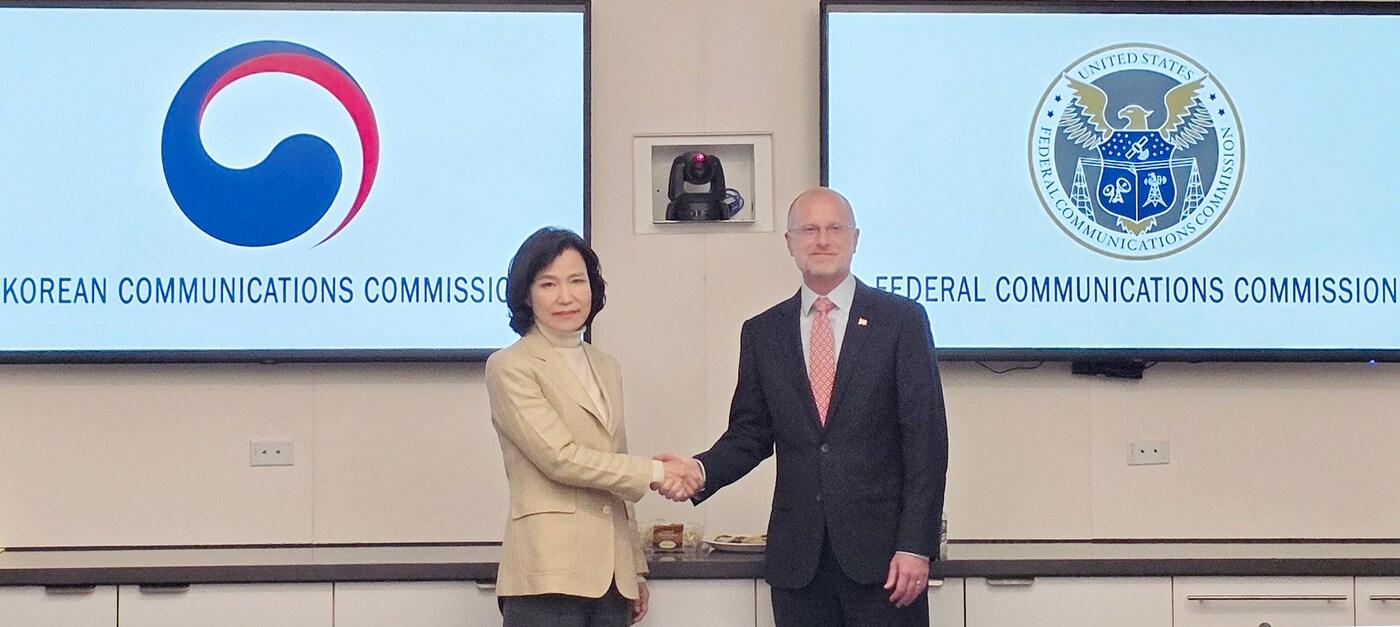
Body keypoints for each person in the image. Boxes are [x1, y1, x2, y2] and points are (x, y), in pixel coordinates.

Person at [659, 187, 949, 626]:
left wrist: (915, 545)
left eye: (835, 228)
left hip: (886, 562)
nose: (823, 240)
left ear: (855, 238)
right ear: (790, 243)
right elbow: (751, 434)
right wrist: (700, 470)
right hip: (799, 564)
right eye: (809, 229)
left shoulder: (900, 321)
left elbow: (926, 442)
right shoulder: (763, 333)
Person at [485, 227, 700, 627]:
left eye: (577, 281)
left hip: (611, 580)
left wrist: (634, 569)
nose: (566, 296)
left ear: (593, 288)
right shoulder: (510, 366)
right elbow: (560, 458)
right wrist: (657, 471)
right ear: (526, 295)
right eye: (548, 284)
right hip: (547, 575)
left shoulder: (605, 365)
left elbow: (613, 465)